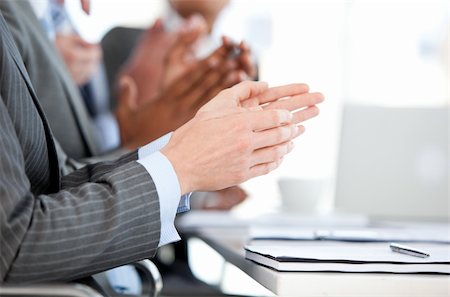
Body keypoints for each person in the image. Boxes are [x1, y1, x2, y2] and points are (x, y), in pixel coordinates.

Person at [0, 3, 323, 286]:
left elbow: (53, 182)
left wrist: (183, 152)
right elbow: (15, 240)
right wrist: (180, 165)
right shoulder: (118, 40)